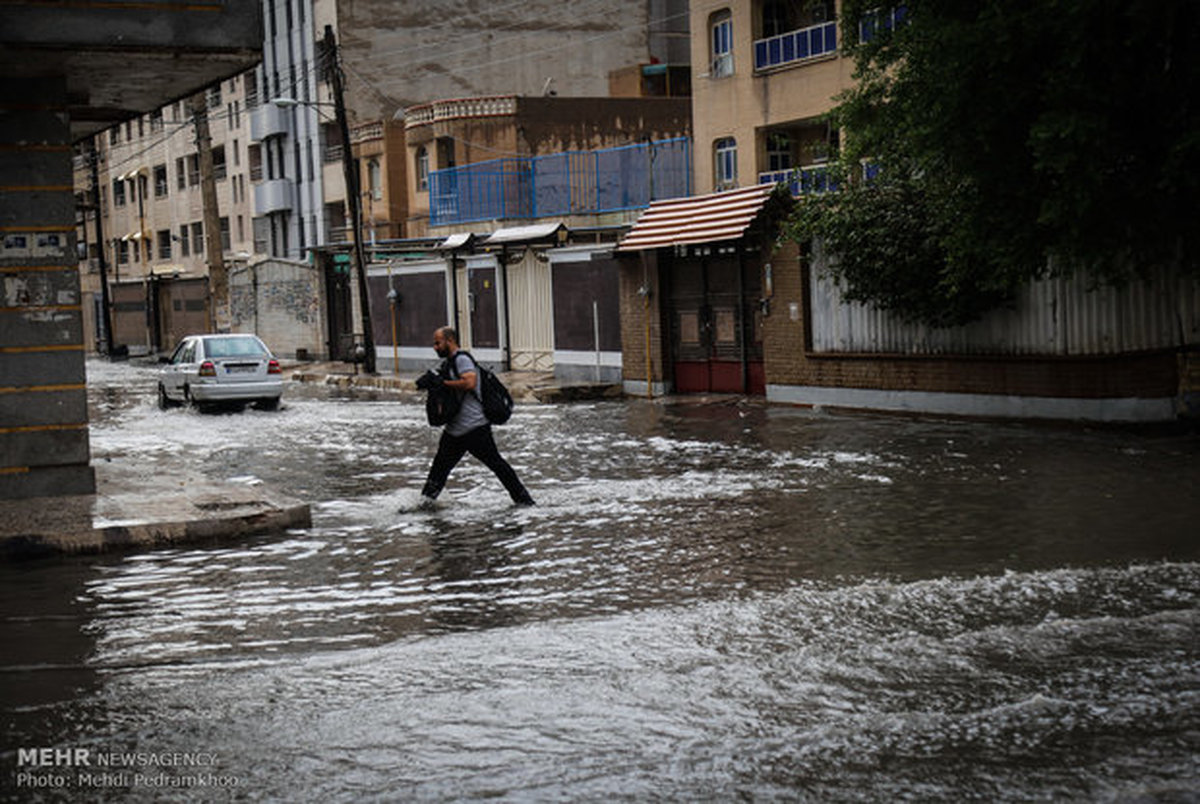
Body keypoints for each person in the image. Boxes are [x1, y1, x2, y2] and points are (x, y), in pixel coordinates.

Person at [414, 326, 535, 507]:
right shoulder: (448, 364)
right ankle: (424, 505)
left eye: (438, 343)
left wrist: (443, 383)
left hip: (475, 428)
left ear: (450, 341)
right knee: (439, 470)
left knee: (497, 465)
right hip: (454, 431)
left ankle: (524, 501)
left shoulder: (462, 359)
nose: (435, 347)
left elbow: (470, 382)